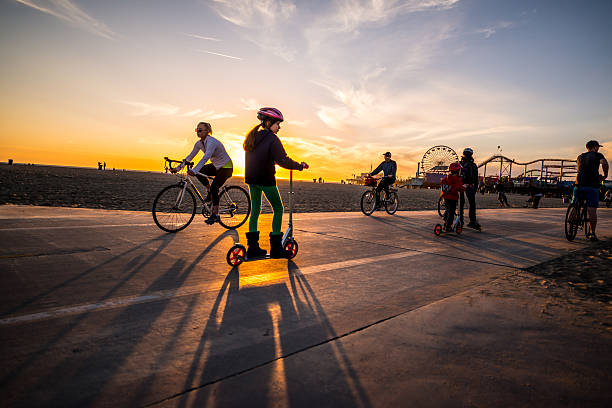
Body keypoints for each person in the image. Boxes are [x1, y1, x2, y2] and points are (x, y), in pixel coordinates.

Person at [244, 107, 309, 258]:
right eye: (277, 124)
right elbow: (283, 160)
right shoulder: (272, 139)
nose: (279, 127)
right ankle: (276, 248)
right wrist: (300, 166)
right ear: (268, 122)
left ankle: (252, 247)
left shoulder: (252, 137)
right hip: (265, 179)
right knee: (278, 208)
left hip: (251, 179)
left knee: (255, 209)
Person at [172, 121, 233, 225]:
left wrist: (194, 170)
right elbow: (189, 157)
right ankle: (209, 191)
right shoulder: (199, 143)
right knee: (200, 173)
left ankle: (215, 215)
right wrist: (177, 168)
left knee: (215, 188)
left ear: (207, 131)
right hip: (216, 166)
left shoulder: (211, 142)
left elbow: (206, 157)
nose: (198, 132)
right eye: (197, 130)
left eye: (200, 130)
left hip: (226, 167)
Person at [575, 140, 608, 241]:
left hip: (578, 184)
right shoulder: (598, 155)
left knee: (575, 204)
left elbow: (579, 170)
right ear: (595, 147)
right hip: (592, 185)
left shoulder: (580, 157)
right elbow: (604, 163)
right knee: (592, 210)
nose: (598, 149)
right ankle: (592, 234)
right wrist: (605, 175)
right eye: (598, 147)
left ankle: (571, 224)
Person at [459, 148, 481, 229]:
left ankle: (460, 221)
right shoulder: (473, 165)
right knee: (472, 204)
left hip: (460, 185)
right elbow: (475, 179)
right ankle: (472, 221)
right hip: (470, 185)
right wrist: (475, 188)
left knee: (460, 204)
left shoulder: (460, 164)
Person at [440, 162, 466, 230]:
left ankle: (445, 222)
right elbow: (460, 188)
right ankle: (448, 225)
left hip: (446, 197)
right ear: (457, 171)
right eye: (459, 170)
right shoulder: (457, 180)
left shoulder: (446, 178)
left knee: (447, 210)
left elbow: (443, 185)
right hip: (453, 198)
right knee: (451, 211)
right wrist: (465, 187)